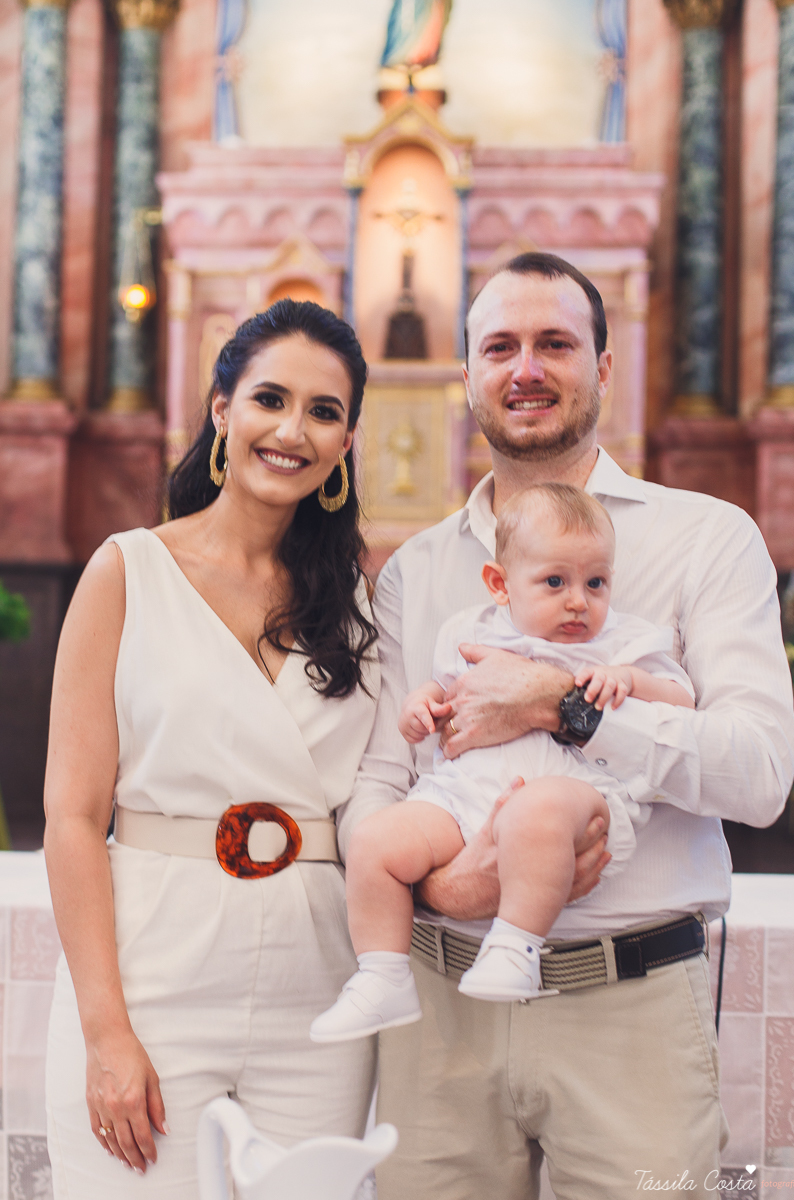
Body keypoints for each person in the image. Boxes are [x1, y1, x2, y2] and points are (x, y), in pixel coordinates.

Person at [338, 253, 794, 1199]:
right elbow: (379, 782)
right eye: (500, 347)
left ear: (605, 363)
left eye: (556, 344)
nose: (527, 370)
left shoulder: (706, 538)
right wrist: (452, 883)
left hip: (628, 1004)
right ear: (466, 373)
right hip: (440, 1006)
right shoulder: (417, 573)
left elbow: (758, 775)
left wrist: (562, 705)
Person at [43, 300, 381, 1198]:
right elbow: (73, 818)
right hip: (156, 972)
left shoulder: (358, 607)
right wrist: (106, 1031)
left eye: (324, 411)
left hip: (319, 987)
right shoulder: (128, 570)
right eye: (270, 398)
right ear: (222, 408)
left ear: (345, 443)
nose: (292, 430)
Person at [311, 483, 694, 1038]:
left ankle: (517, 947)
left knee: (533, 813)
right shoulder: (469, 633)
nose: (578, 601)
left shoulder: (621, 642)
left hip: (570, 791)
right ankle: (382, 973)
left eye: (596, 583)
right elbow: (443, 699)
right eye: (555, 582)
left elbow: (681, 699)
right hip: (467, 794)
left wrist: (630, 680)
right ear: (500, 584)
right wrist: (420, 708)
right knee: (375, 841)